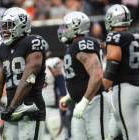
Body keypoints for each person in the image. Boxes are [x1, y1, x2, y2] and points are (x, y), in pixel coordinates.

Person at [0, 7, 48, 140]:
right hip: (11, 111)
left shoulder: (33, 42)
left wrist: (12, 107)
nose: (4, 30)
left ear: (22, 24)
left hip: (30, 108)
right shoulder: (3, 48)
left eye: (8, 26)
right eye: (2, 26)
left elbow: (28, 78)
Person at [58, 11, 111, 140]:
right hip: (82, 102)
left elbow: (97, 75)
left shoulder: (83, 44)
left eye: (66, 27)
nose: (63, 30)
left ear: (76, 27)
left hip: (94, 101)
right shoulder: (73, 46)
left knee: (98, 136)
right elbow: (81, 78)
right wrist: (70, 96)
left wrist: (84, 101)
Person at [103, 4, 139, 140]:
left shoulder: (114, 36)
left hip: (125, 90)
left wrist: (97, 91)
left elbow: (111, 69)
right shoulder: (136, 35)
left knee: (131, 136)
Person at [42, 57, 67, 140]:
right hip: (39, 110)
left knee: (58, 136)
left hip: (52, 109)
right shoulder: (30, 66)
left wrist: (63, 105)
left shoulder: (52, 63)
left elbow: (61, 85)